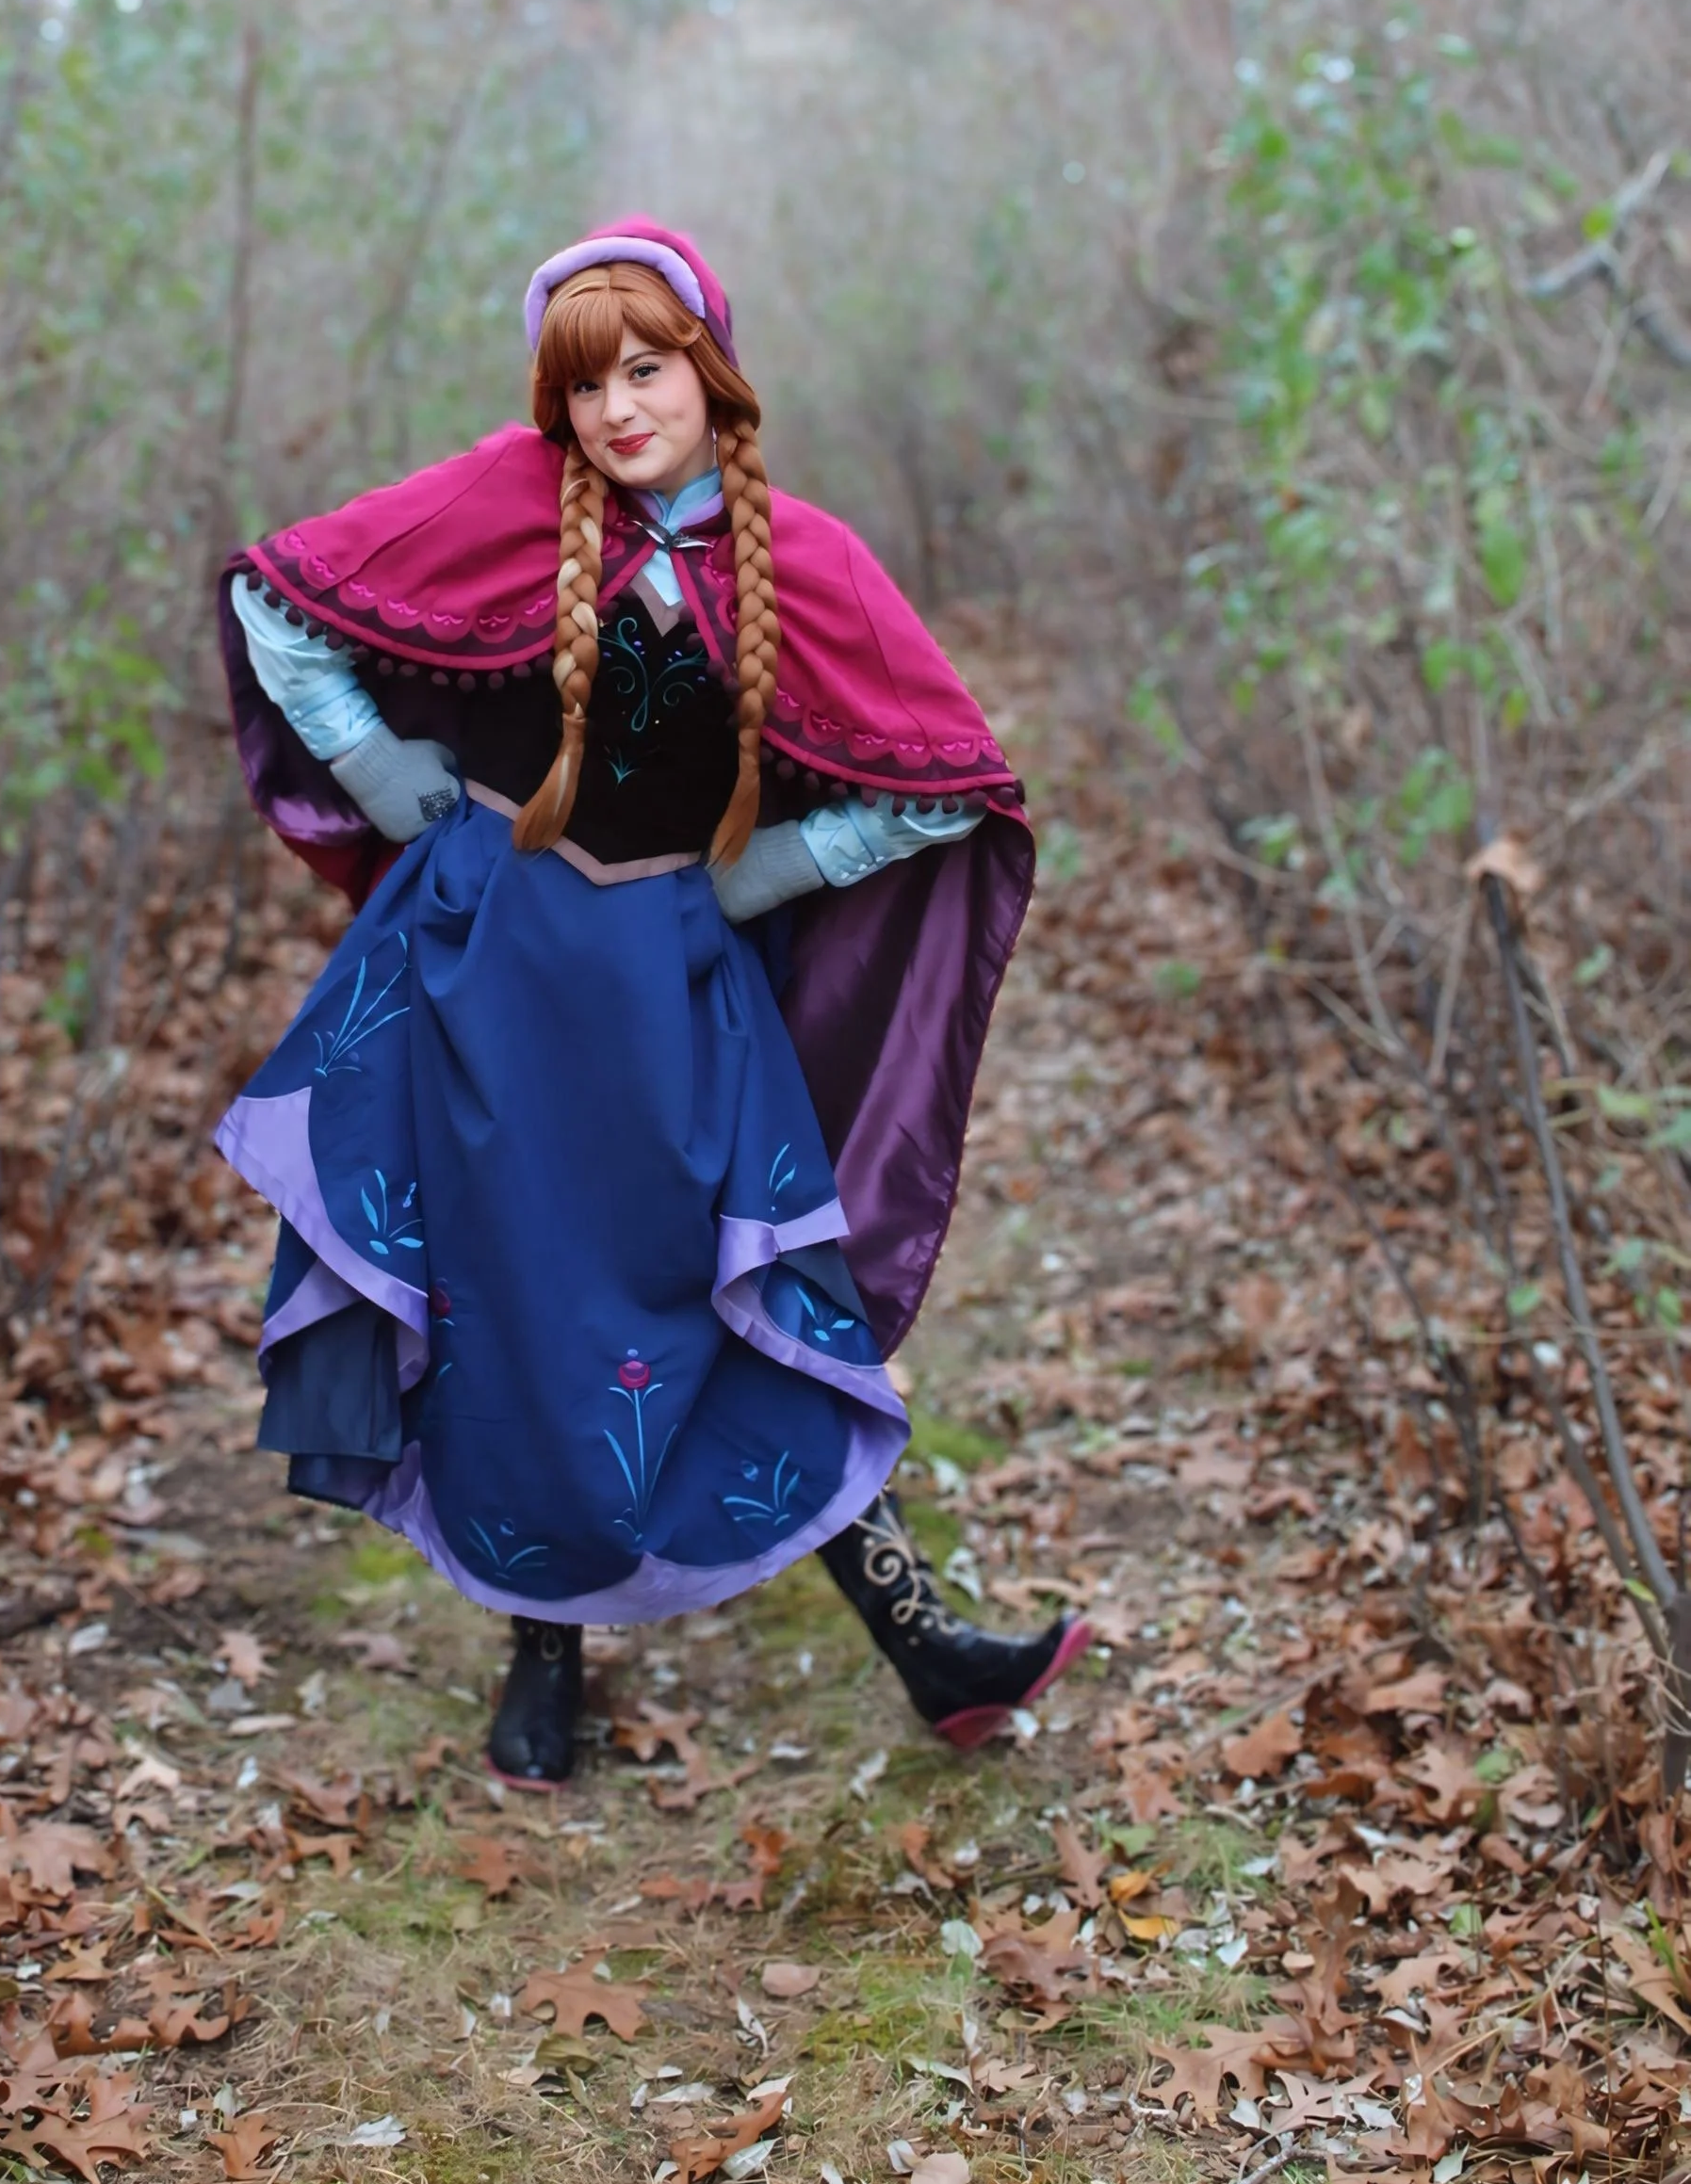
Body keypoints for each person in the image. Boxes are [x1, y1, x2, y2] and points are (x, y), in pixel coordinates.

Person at [214, 219, 1086, 1785]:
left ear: (708, 367)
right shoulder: (499, 505)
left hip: (680, 983)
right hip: (485, 968)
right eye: (582, 386)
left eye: (645, 368)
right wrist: (371, 764)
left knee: (755, 1297)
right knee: (510, 1298)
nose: (618, 409)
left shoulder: (802, 558)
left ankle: (929, 1649)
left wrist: (777, 868)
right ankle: (539, 1656)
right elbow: (280, 601)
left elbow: (950, 785)